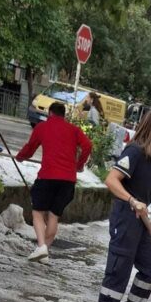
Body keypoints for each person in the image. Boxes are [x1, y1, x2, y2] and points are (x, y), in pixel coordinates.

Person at [91, 107, 151, 302]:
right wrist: (132, 201)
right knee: (119, 271)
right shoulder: (135, 152)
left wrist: (149, 226)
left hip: (139, 222)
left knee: (150, 269)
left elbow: (141, 196)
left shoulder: (148, 159)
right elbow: (111, 180)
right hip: (125, 219)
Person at [15, 101, 92, 263]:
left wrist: (20, 157)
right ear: (63, 115)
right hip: (68, 181)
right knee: (53, 216)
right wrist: (79, 165)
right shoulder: (74, 130)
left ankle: (41, 246)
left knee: (37, 212)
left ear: (50, 113)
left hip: (48, 176)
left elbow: (30, 148)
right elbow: (87, 145)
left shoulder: (42, 127)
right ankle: (44, 253)